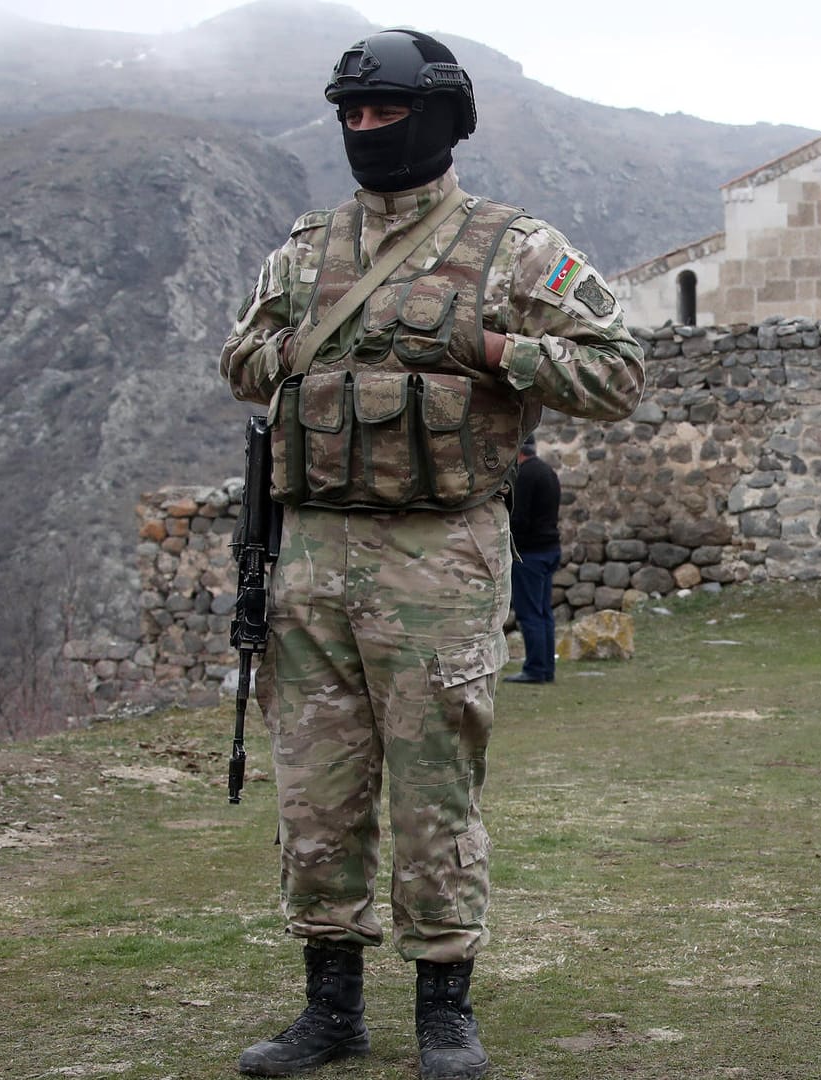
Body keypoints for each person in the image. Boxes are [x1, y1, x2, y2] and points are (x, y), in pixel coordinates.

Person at [218, 27, 644, 1080]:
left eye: (385, 111)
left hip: (439, 561)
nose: (367, 128)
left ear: (440, 117)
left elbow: (620, 371)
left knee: (435, 792)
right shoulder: (305, 251)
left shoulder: (514, 249)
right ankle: (331, 1010)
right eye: (352, 114)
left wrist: (492, 348)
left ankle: (445, 1009)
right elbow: (239, 357)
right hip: (309, 559)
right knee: (317, 795)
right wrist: (297, 358)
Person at [505, 437, 560, 684]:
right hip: (549, 549)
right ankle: (546, 667)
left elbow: (520, 518)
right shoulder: (547, 471)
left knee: (530, 614)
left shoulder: (525, 476)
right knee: (544, 612)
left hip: (530, 553)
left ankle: (536, 668)